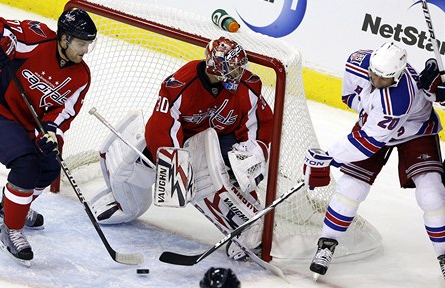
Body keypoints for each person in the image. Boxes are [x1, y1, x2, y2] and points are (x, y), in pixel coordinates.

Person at [90, 36, 274, 260]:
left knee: (231, 173)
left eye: (239, 68)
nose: (239, 74)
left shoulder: (248, 86)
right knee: (139, 171)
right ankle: (122, 200)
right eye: (233, 69)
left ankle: (248, 226)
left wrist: (253, 151)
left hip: (222, 139)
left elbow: (260, 123)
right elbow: (162, 124)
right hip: (183, 138)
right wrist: (176, 162)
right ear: (216, 67)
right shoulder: (181, 84)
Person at [303, 41, 445, 279]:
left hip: (415, 131)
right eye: (374, 74)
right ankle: (326, 244)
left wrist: (329, 157)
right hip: (375, 126)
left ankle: (443, 254)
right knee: (350, 189)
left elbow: (367, 145)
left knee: (432, 194)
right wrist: (371, 107)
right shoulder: (356, 61)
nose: (377, 81)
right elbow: (348, 96)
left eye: (384, 79)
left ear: (397, 76)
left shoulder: (399, 99)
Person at [0, 9, 97, 265]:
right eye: (81, 43)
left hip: (26, 123)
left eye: (88, 44)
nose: (85, 51)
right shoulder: (35, 39)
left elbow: (64, 112)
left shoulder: (81, 76)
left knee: (49, 165)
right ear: (65, 39)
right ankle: (11, 228)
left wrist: (50, 132)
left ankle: (12, 207)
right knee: (25, 164)